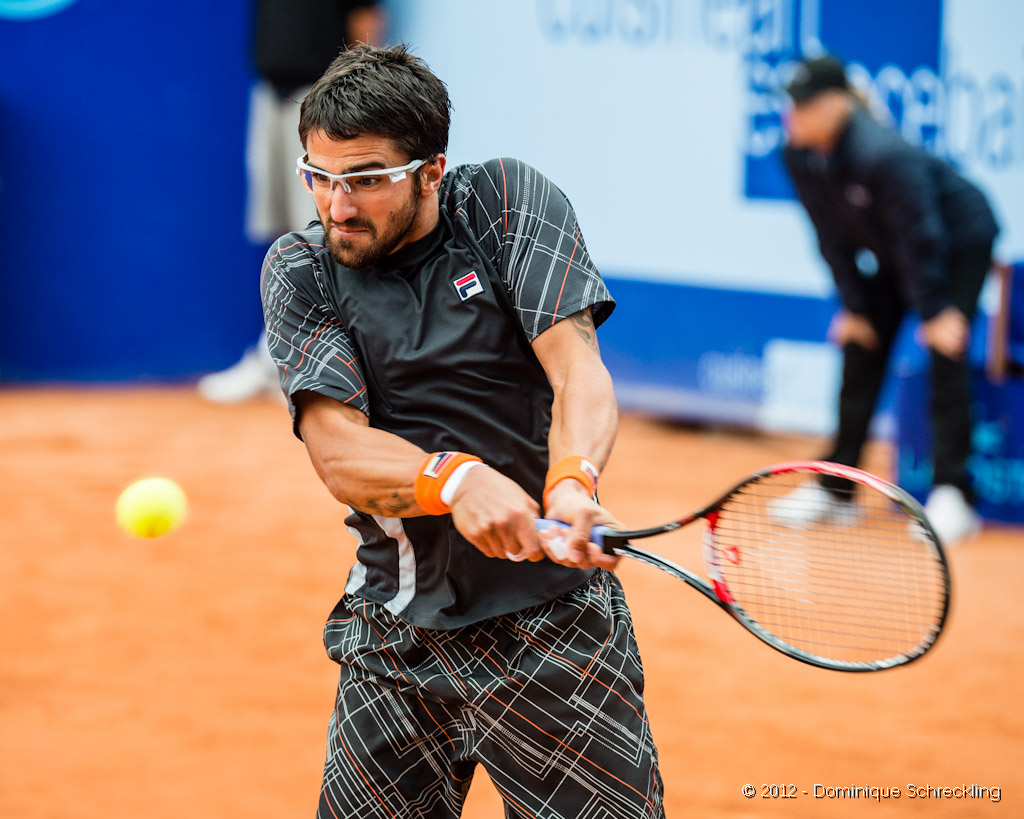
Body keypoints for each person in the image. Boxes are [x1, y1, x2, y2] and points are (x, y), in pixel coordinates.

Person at [260, 44, 665, 818]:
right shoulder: (301, 268)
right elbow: (337, 449)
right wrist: (456, 478)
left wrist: (573, 481)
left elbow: (576, 367)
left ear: (431, 171)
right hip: (395, 638)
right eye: (321, 176)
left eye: (368, 179)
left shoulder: (506, 203)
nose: (339, 206)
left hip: (558, 633)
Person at [773, 55, 1000, 547]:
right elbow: (830, 238)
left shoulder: (882, 155)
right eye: (791, 105)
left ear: (837, 105)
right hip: (903, 252)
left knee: (946, 347)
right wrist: (855, 307)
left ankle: (953, 495)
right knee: (861, 343)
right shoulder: (797, 155)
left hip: (957, 242)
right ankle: (837, 488)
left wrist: (938, 310)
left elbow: (924, 238)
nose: (793, 115)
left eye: (805, 105)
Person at [198, 0, 386, 403]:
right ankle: (278, 355)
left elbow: (365, 18)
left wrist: (355, 100)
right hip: (270, 94)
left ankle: (327, 367)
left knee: (330, 233)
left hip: (325, 102)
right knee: (286, 229)